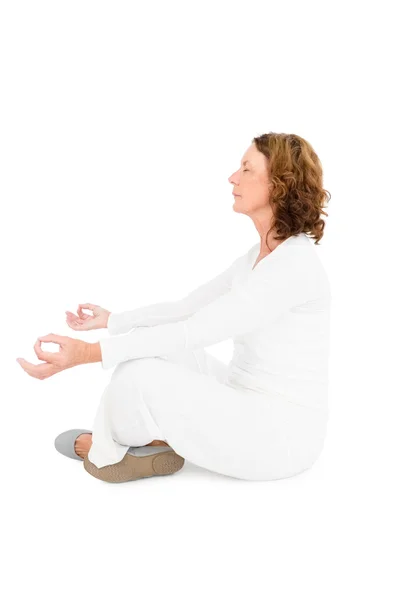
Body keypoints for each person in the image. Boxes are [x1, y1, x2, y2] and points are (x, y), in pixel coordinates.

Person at [20, 132, 332, 483]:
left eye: (247, 169)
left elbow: (193, 331)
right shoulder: (256, 258)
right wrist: (115, 321)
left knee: (137, 377)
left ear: (279, 185)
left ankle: (104, 451)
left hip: (280, 438)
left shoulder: (292, 267)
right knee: (149, 350)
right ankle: (147, 440)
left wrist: (87, 353)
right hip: (241, 397)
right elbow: (187, 308)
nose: (233, 177)